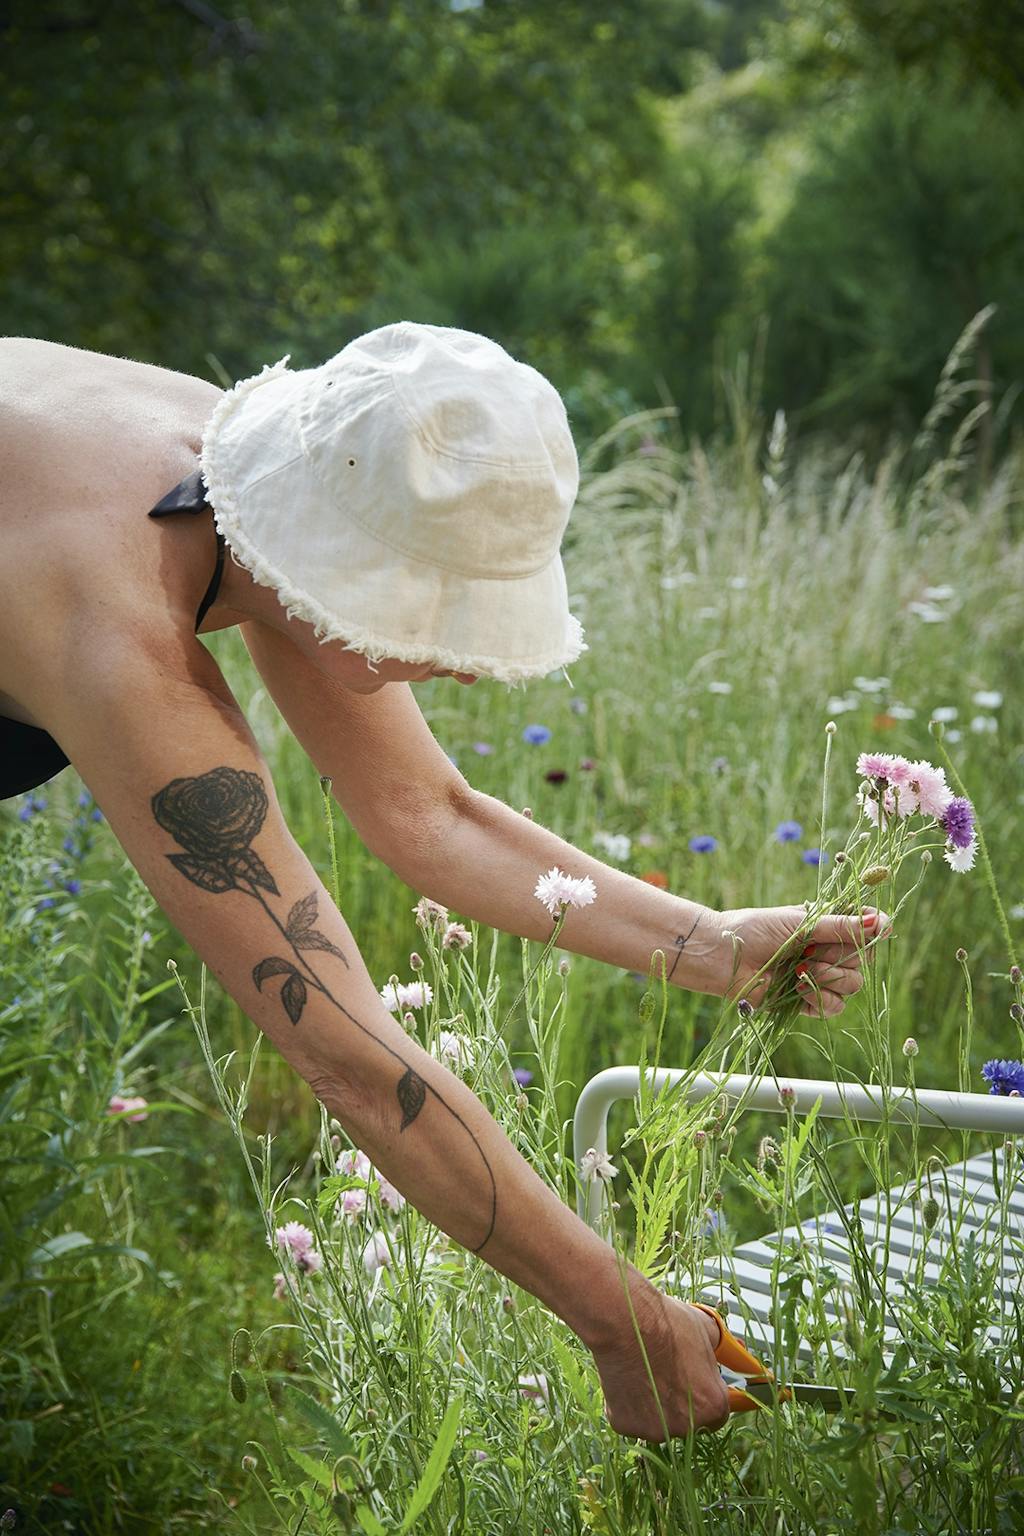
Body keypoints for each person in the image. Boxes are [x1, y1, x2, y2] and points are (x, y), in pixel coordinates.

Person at [0, 324, 888, 1441]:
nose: (464, 660)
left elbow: (431, 815)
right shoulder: (118, 629)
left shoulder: (259, 479)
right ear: (341, 578)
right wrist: (621, 1321)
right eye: (435, 617)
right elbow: (350, 1058)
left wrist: (709, 943)